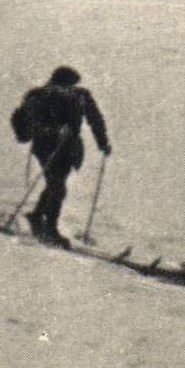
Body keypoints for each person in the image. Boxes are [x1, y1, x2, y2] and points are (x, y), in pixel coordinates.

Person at [13, 66, 111, 248]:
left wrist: (102, 143)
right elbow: (27, 120)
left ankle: (38, 217)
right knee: (57, 184)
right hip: (50, 145)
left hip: (64, 148)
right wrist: (52, 131)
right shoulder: (47, 95)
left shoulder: (72, 96)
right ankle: (49, 227)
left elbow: (94, 118)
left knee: (56, 184)